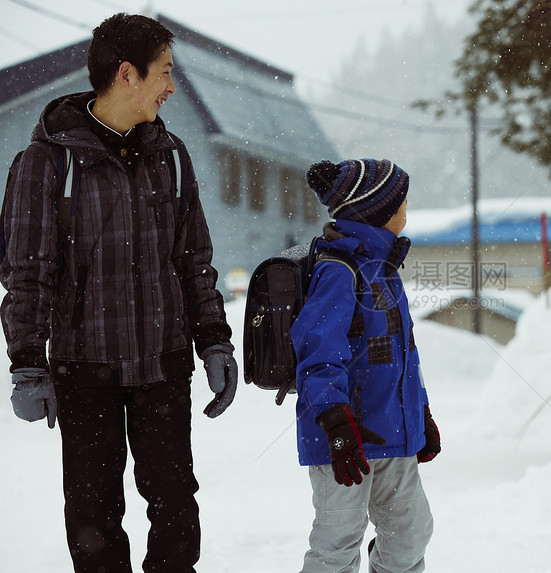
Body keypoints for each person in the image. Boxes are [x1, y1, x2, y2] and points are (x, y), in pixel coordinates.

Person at [0, 13, 238, 572]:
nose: (172, 88)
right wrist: (29, 364)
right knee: (94, 523)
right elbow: (26, 271)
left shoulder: (172, 157)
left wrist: (215, 343)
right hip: (86, 373)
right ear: (126, 74)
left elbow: (193, 262)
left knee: (177, 513)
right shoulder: (44, 163)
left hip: (163, 368)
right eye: (165, 73)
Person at [294, 158, 440, 573]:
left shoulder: (386, 270)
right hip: (343, 436)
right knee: (338, 542)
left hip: (392, 431)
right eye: (402, 205)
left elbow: (404, 357)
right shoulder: (338, 271)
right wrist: (336, 424)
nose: (406, 212)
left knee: (410, 534)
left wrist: (421, 413)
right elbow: (318, 354)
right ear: (378, 213)